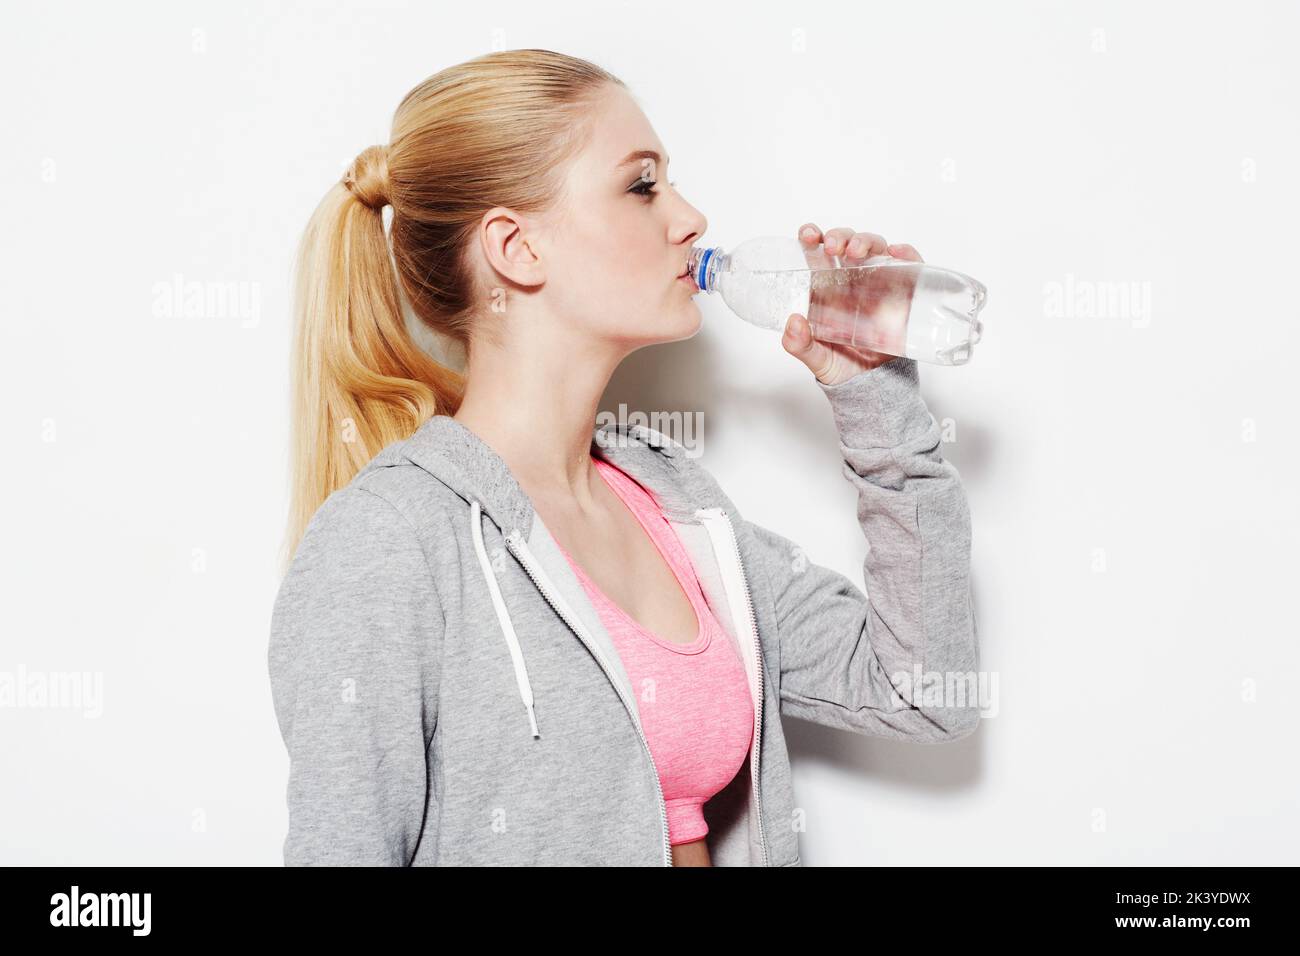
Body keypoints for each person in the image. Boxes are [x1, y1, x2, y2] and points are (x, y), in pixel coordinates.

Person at [268, 48, 980, 867]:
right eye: (642, 185)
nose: (690, 218)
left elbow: (925, 694)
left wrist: (875, 395)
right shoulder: (387, 543)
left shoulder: (676, 503)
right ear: (517, 249)